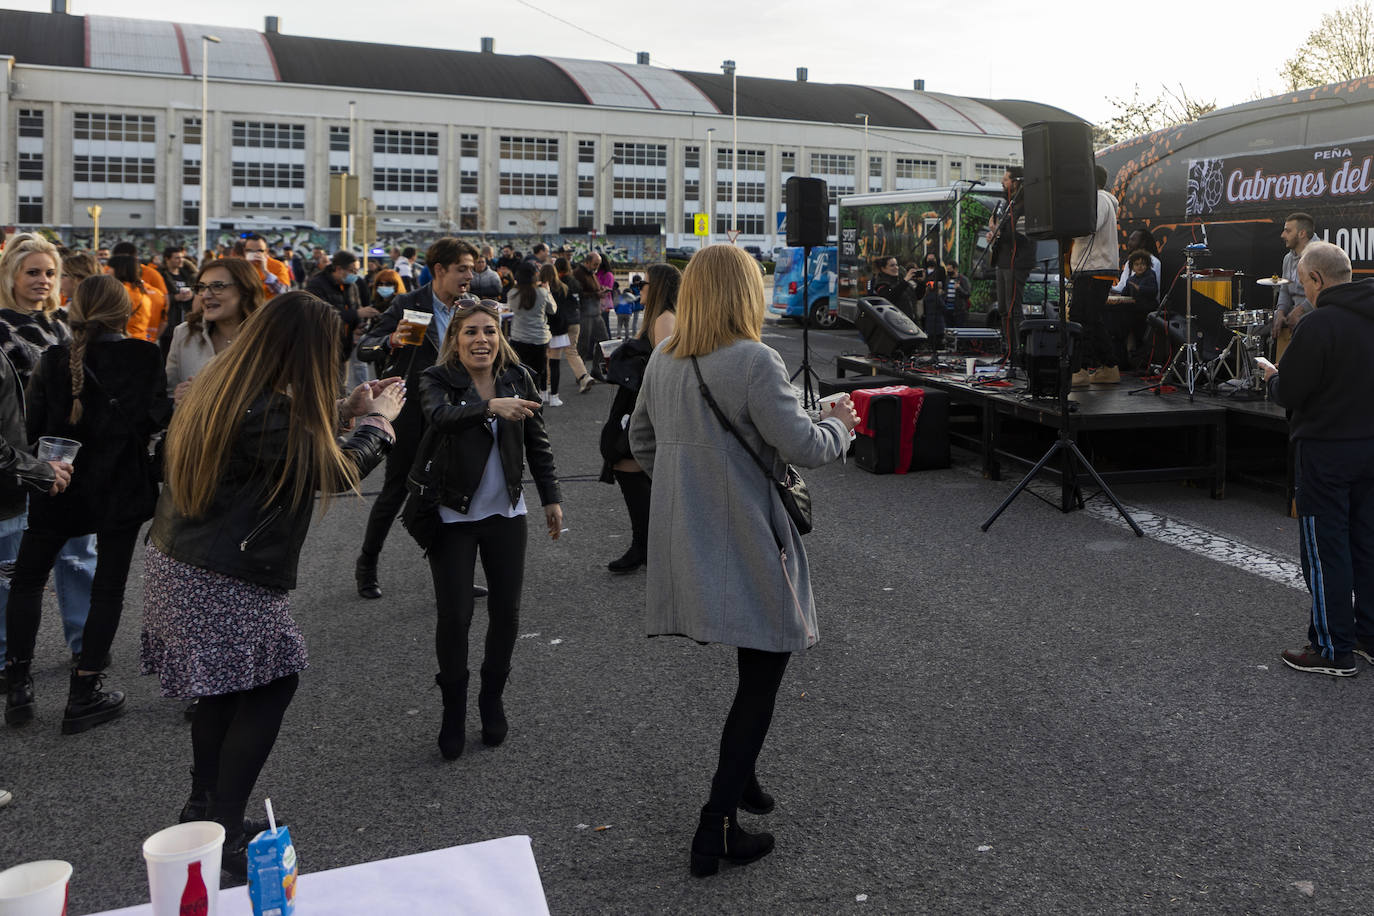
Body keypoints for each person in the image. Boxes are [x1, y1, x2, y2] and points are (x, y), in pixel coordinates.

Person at [142, 292, 403, 879]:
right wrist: (379, 422)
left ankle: (204, 809)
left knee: (224, 691)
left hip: (182, 560)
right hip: (222, 573)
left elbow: (281, 440)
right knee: (270, 683)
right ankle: (227, 834)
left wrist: (345, 409)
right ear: (302, 350)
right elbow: (334, 470)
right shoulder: (269, 409)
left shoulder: (226, 384)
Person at [628, 244, 858, 877]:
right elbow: (807, 447)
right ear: (746, 293)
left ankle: (745, 778)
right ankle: (716, 826)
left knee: (752, 669)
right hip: (750, 540)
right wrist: (842, 422)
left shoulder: (664, 360)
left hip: (690, 536)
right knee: (760, 683)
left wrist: (690, 484)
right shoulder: (756, 360)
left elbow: (640, 439)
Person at [5, 275, 168, 733]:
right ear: (125, 310)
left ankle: (18, 684)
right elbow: (155, 418)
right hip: (122, 487)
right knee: (108, 587)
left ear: (74, 310)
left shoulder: (54, 358)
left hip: (59, 484)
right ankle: (84, 691)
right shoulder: (145, 354)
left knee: (28, 580)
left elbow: (32, 426)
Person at [410, 298, 561, 759]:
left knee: (506, 614)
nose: (482, 340)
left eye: (490, 331)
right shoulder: (437, 380)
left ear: (501, 336)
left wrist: (551, 497)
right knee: (456, 617)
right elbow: (440, 417)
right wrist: (489, 406)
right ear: (455, 340)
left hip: (507, 515)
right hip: (451, 515)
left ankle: (491, 699)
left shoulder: (519, 376)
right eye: (471, 332)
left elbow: (538, 439)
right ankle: (453, 712)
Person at [1257, 241, 1374, 676]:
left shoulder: (1319, 324)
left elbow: (1291, 392)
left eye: (1304, 282)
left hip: (1326, 450)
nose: (1304, 291)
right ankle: (1368, 636)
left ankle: (1331, 648)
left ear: (1318, 279)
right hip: (1370, 446)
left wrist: (1274, 378)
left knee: (1326, 552)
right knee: (1366, 544)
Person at [355, 238, 485, 601]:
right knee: (395, 492)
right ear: (440, 270)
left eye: (472, 269)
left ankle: (453, 575)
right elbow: (366, 346)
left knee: (453, 495)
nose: (469, 277)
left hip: (454, 414)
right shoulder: (409, 304)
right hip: (410, 413)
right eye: (462, 268)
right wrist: (391, 341)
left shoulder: (468, 310)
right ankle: (367, 564)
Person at [0, 234, 96, 673]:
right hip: (17, 464)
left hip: (65, 457)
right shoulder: (0, 329)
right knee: (12, 569)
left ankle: (85, 642)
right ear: (11, 276)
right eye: (32, 272)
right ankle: (8, 656)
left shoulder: (64, 325)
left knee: (77, 556)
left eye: (50, 273)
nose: (43, 280)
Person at [599, 262, 680, 574]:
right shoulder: (657, 318)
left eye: (644, 284)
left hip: (649, 407)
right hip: (639, 403)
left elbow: (667, 373)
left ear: (657, 288)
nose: (639, 288)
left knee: (629, 464)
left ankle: (645, 545)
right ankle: (649, 544)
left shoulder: (664, 320)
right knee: (633, 466)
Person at [165, 259, 265, 403]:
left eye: (218, 286)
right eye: (201, 287)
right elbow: (168, 395)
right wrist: (178, 399)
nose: (206, 295)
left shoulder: (268, 337)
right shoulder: (184, 334)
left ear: (245, 290)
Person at [1069, 165, 1122, 386]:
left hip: (1094, 268)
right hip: (1093, 268)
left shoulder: (1099, 198)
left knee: (1082, 320)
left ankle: (1080, 369)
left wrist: (1067, 226)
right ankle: (1108, 367)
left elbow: (1089, 225)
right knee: (1091, 319)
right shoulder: (1103, 199)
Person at [987, 166, 1036, 371]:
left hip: (1017, 263)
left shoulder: (1026, 206)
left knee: (1014, 309)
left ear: (1016, 182)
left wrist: (996, 233)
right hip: (1003, 261)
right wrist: (996, 236)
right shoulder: (1009, 204)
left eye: (1006, 179)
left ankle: (1021, 353)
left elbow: (1024, 237)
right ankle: (1008, 351)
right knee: (1003, 309)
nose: (1002, 182)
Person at [305, 251, 377, 367]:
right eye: (352, 270)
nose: (355, 274)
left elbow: (355, 306)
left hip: (344, 347)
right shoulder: (317, 285)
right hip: (322, 347)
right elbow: (319, 315)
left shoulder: (352, 286)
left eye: (357, 270)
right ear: (338, 269)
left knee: (342, 384)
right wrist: (356, 314)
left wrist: (358, 325)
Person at [506, 261, 555, 401]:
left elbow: (511, 309)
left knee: (520, 371)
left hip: (518, 338)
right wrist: (548, 291)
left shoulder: (512, 293)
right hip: (539, 338)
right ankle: (536, 399)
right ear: (535, 275)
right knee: (538, 372)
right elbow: (553, 310)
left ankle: (521, 398)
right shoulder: (542, 292)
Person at [1272, 212, 1315, 361]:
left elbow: (1323, 293)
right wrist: (1280, 311)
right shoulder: (1288, 258)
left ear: (1302, 233)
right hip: (1293, 314)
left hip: (1314, 314)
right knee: (1256, 327)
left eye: (1288, 231)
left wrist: (1300, 310)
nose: (1283, 235)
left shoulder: (1321, 254)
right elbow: (1284, 288)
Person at [551, 256, 594, 394]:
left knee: (551, 353)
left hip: (561, 321)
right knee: (571, 351)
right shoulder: (575, 282)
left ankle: (546, 385)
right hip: (575, 320)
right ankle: (583, 376)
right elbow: (580, 299)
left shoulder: (557, 283)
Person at [540, 262, 574, 406]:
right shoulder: (563, 288)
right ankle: (554, 396)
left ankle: (543, 393)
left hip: (543, 328)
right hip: (559, 328)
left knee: (542, 362)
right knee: (555, 364)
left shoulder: (539, 289)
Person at [109, 252, 159, 344]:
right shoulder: (143, 292)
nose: (107, 270)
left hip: (124, 341)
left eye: (110, 267)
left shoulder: (119, 291)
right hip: (142, 340)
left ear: (119, 270)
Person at [157, 246, 197, 359]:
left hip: (186, 319)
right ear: (167, 259)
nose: (180, 260)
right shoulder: (161, 276)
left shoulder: (187, 275)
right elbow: (157, 297)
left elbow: (197, 290)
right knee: (167, 354)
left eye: (182, 257)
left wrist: (192, 295)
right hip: (169, 321)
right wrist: (175, 298)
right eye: (177, 258)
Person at [575, 252, 608, 380]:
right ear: (587, 262)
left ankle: (596, 369)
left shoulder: (591, 273)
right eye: (595, 264)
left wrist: (600, 291)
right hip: (585, 314)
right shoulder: (578, 273)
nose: (597, 267)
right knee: (583, 345)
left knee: (604, 342)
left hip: (595, 313)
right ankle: (581, 374)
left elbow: (593, 290)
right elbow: (578, 294)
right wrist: (596, 294)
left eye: (598, 265)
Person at [868, 256, 921, 322]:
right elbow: (890, 297)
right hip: (896, 323)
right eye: (892, 265)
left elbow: (917, 296)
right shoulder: (882, 283)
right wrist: (905, 281)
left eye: (896, 265)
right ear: (883, 268)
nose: (896, 267)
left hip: (911, 322)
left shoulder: (901, 280)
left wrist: (921, 283)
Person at [240, 234, 293, 298]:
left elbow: (285, 293)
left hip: (269, 306)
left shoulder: (278, 266)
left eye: (259, 251)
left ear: (266, 251)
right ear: (244, 251)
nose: (254, 254)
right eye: (250, 251)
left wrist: (266, 272)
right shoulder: (239, 266)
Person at [943, 261, 972, 328]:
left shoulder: (963, 279)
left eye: (950, 269)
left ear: (955, 269)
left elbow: (967, 294)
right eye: (947, 270)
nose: (948, 271)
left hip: (959, 311)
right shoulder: (947, 279)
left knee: (960, 329)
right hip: (948, 311)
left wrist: (959, 288)